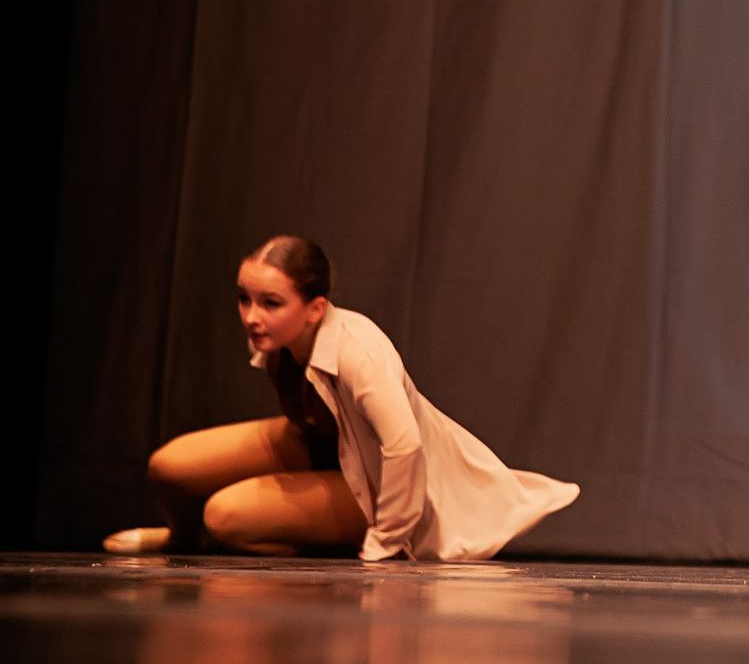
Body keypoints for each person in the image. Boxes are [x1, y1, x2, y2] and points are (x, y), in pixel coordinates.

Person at [102, 236, 579, 560]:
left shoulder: (359, 351)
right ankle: (180, 540)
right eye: (244, 299)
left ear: (315, 309)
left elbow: (404, 446)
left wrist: (386, 542)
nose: (251, 316)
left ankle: (318, 541)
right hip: (319, 442)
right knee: (170, 465)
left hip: (374, 481)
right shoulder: (276, 338)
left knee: (226, 516)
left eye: (270, 303)